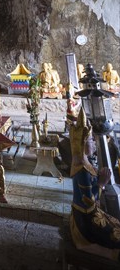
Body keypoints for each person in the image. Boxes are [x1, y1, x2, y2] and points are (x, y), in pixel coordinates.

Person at [69, 108, 120, 262]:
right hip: (85, 219)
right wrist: (102, 184)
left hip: (91, 213)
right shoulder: (82, 170)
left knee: (117, 224)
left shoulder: (86, 162)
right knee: (115, 237)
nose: (93, 142)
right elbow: (88, 201)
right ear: (83, 144)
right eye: (90, 140)